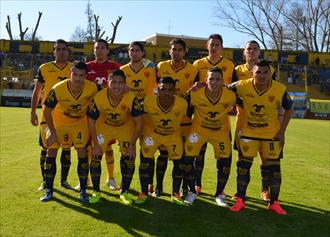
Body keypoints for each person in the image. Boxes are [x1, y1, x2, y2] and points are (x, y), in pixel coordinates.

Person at [229, 59, 293, 215]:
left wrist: (281, 131)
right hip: (249, 133)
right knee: (243, 168)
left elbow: (289, 109)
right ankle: (240, 200)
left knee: (275, 170)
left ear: (270, 73)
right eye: (258, 72)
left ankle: (274, 203)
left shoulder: (279, 89)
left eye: (266, 72)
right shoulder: (242, 85)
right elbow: (224, 89)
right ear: (252, 73)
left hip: (271, 135)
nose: (262, 75)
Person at [40, 61, 98, 202]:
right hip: (59, 124)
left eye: (81, 75)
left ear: (86, 76)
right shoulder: (58, 88)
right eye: (74, 74)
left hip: (79, 125)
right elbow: (47, 111)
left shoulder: (92, 88)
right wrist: (52, 132)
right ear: (70, 73)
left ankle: (83, 191)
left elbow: (103, 97)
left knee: (82, 153)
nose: (77, 78)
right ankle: (49, 190)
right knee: (51, 151)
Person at [87, 69, 143, 205]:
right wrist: (95, 144)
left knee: (129, 158)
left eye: (120, 83)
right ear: (108, 82)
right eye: (114, 82)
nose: (117, 86)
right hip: (104, 128)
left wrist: (132, 145)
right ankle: (96, 191)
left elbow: (139, 123)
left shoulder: (131, 98)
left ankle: (124, 192)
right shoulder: (99, 97)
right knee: (95, 158)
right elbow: (91, 122)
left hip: (125, 128)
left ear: (125, 84)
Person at [232, 40, 278, 201]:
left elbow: (275, 92)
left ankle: (265, 190)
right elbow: (231, 93)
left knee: (265, 156)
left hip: (264, 120)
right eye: (248, 49)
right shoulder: (237, 70)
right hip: (243, 120)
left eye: (255, 49)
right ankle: (240, 192)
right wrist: (244, 104)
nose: (251, 51)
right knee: (242, 157)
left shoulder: (269, 70)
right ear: (244, 52)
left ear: (259, 52)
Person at [152, 38, 198, 197]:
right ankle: (158, 187)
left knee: (184, 157)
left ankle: (183, 188)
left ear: (185, 52)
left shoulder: (193, 70)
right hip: (165, 119)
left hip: (184, 120)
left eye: (180, 49)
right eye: (174, 49)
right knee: (163, 154)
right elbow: (155, 90)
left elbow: (195, 94)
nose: (177, 52)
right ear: (169, 51)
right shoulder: (161, 67)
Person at [184, 67, 236, 206]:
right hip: (198, 131)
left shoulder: (230, 95)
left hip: (220, 133)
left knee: (225, 162)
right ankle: (192, 191)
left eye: (217, 79)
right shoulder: (196, 94)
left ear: (223, 81)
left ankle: (219, 194)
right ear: (206, 80)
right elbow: (183, 104)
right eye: (211, 78)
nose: (214, 82)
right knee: (187, 159)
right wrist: (190, 90)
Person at [192, 34, 235, 193]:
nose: (214, 47)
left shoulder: (229, 65)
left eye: (217, 45)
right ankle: (197, 185)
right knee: (198, 154)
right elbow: (194, 86)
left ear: (221, 47)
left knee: (222, 156)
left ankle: (221, 190)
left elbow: (234, 87)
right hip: (201, 117)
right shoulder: (198, 64)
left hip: (221, 121)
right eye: (212, 44)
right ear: (206, 46)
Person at [138, 77, 189, 205]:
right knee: (144, 162)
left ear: (174, 91)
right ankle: (144, 192)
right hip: (152, 135)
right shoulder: (147, 102)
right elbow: (137, 116)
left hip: (173, 136)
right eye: (163, 89)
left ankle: (175, 193)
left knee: (179, 164)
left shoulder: (182, 104)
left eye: (169, 90)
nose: (166, 93)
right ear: (158, 90)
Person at [30, 39, 73, 191]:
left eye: (63, 49)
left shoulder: (74, 68)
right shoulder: (44, 68)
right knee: (46, 148)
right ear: (53, 51)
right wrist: (33, 112)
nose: (61, 51)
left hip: (68, 116)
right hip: (48, 116)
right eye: (58, 49)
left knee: (66, 149)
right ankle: (45, 181)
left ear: (68, 51)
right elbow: (37, 92)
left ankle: (64, 180)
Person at [85, 39, 121, 191]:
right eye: (96, 48)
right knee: (88, 147)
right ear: (93, 50)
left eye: (102, 48)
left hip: (108, 113)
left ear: (107, 50)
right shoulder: (87, 67)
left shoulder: (114, 67)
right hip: (91, 113)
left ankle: (110, 178)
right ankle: (85, 179)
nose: (99, 50)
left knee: (107, 147)